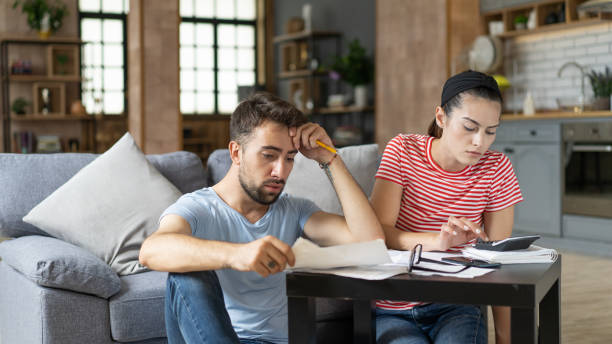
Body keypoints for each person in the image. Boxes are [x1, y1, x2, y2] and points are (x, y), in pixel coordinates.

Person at [139, 92, 384, 344]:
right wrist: (238, 254)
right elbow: (151, 250)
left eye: (289, 158)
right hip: (217, 337)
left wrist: (330, 158)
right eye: (268, 155)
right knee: (185, 276)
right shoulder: (199, 208)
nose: (281, 171)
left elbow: (370, 241)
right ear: (236, 153)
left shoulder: (295, 210)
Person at [370, 70, 523, 344]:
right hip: (393, 307)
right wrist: (437, 241)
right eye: (469, 127)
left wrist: (504, 338)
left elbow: (499, 259)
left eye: (491, 131)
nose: (480, 142)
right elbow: (377, 234)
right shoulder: (403, 151)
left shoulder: (497, 168)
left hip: (458, 305)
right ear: (441, 117)